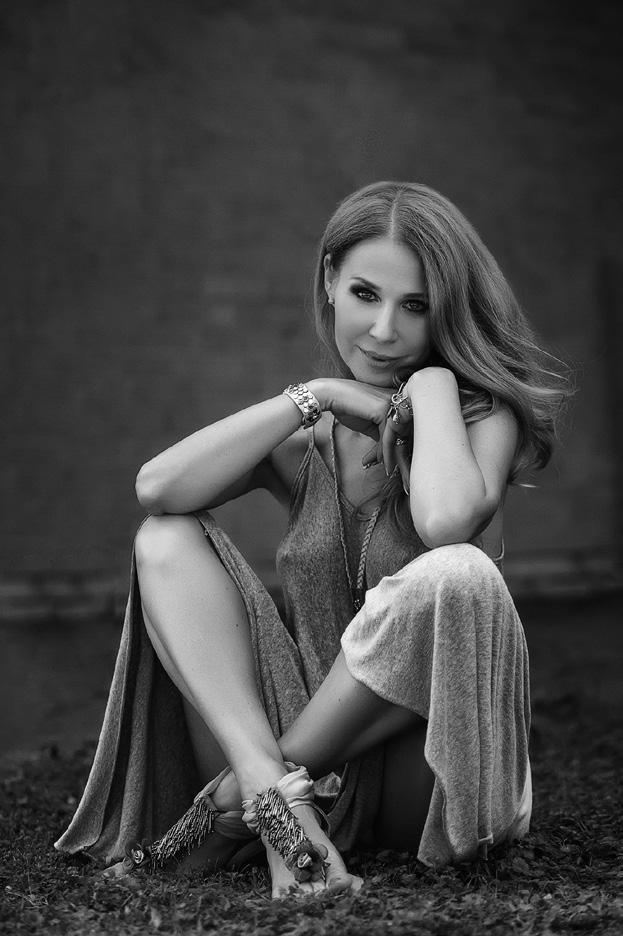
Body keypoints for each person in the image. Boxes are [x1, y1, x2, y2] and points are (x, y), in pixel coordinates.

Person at [55, 181, 567, 898]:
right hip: (308, 770)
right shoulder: (310, 438)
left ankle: (238, 807)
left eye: (415, 306)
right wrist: (314, 397)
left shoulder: (480, 420)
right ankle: (275, 799)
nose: (383, 330)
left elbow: (447, 523)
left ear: (447, 310)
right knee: (166, 539)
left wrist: (430, 391)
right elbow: (158, 488)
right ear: (329, 281)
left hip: (424, 771)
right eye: (364, 294)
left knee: (457, 574)